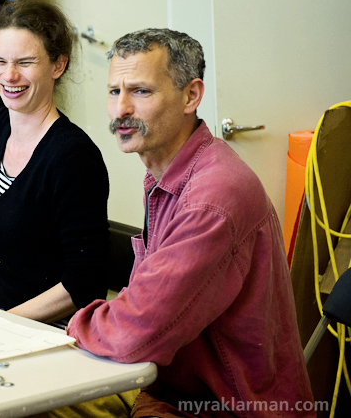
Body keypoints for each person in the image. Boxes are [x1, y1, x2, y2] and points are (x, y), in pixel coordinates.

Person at [66, 28, 313, 417]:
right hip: (169, 390)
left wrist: (69, 329)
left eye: (141, 92)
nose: (121, 109)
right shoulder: (166, 174)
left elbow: (134, 333)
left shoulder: (212, 198)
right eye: (115, 92)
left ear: (191, 96)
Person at [0, 0, 109, 325]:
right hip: (6, 317)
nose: (9, 75)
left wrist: (3, 323)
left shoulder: (73, 156)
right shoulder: (1, 125)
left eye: (24, 62)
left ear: (57, 65)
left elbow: (85, 282)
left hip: (54, 330)